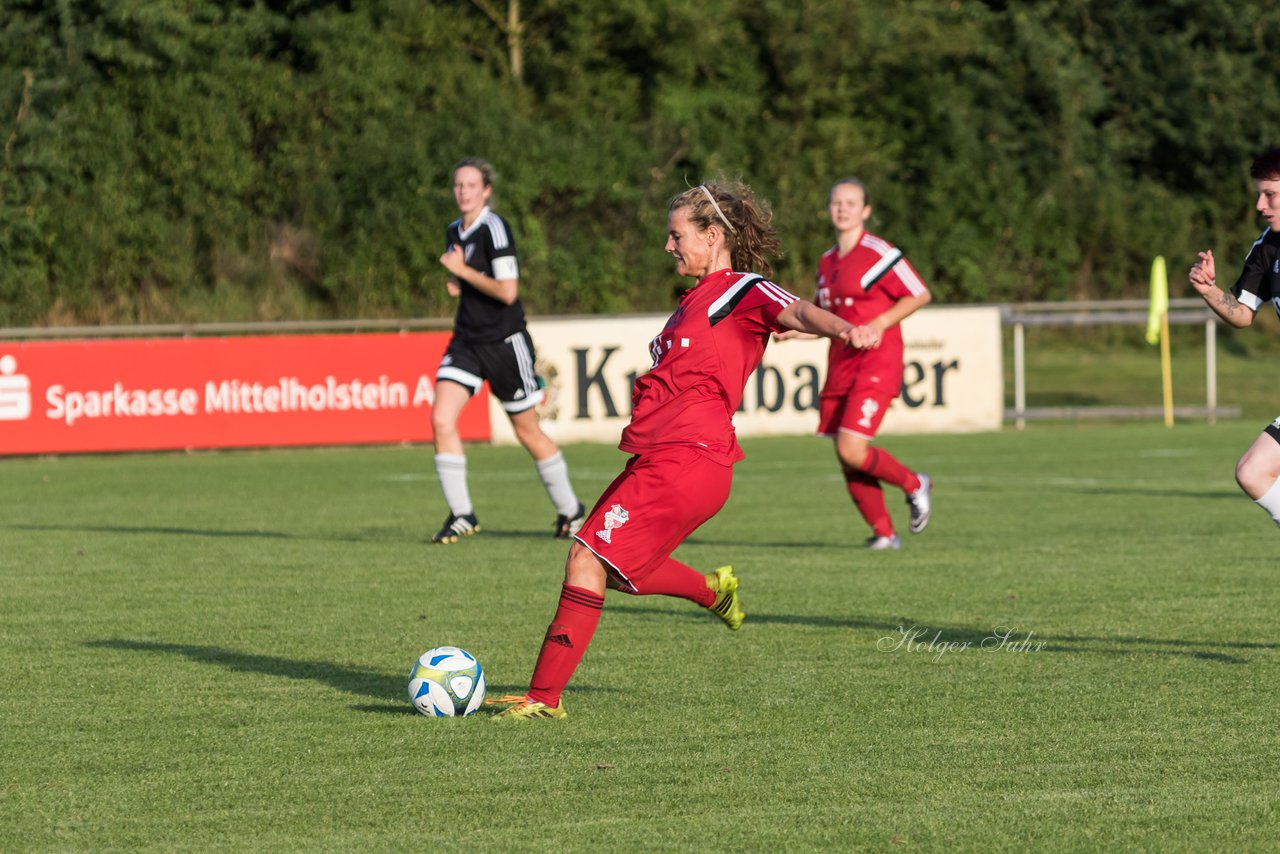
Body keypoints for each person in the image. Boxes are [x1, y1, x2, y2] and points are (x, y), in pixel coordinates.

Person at [487, 179, 880, 720]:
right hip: (663, 457)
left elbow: (799, 312)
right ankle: (712, 590)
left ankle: (541, 697)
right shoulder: (691, 304)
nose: (668, 247)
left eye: (677, 236)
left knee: (585, 558)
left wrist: (845, 330)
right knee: (618, 567)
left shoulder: (741, 288)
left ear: (712, 235)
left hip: (690, 457)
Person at [431, 157, 584, 543]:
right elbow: (469, 280)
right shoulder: (454, 230)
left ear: (486, 191)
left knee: (527, 431)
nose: (462, 191)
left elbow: (507, 290)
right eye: (457, 185)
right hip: (467, 340)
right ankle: (462, 514)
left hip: (504, 342)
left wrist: (463, 273)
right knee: (441, 418)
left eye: (470, 185)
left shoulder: (495, 228)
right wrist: (458, 282)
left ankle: (572, 512)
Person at [778, 178, 933, 550]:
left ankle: (915, 483)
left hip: (877, 360)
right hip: (840, 364)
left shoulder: (878, 251)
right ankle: (884, 534)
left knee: (852, 448)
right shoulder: (827, 261)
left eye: (851, 203)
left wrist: (878, 324)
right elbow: (827, 320)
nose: (842, 208)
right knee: (847, 456)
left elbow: (920, 293)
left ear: (865, 210)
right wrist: (793, 333)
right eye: (836, 202)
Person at [1188, 146, 1280, 527]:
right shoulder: (1268, 247)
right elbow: (1242, 313)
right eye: (1259, 194)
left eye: (1270, 194)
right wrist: (1210, 290)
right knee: (1253, 471)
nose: (1260, 204)